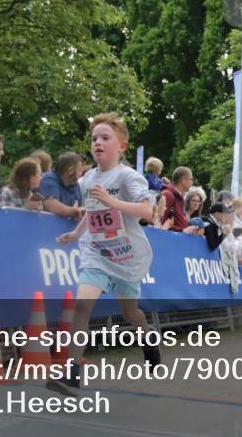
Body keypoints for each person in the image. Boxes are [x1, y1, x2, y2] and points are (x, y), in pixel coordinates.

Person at [47, 112, 159, 396]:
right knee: (82, 305)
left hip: (126, 255)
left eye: (105, 138)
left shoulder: (128, 177)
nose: (97, 142)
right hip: (96, 251)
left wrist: (113, 200)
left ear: (121, 146)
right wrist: (76, 234)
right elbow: (94, 211)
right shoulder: (86, 180)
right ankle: (72, 373)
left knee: (130, 312)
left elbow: (147, 211)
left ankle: (148, 341)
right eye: (94, 138)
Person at [39, 151, 85, 218]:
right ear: (70, 170)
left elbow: (80, 208)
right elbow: (51, 206)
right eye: (80, 170)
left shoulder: (75, 185)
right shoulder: (49, 179)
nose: (81, 174)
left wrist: (81, 211)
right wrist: (74, 211)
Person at [162, 166, 194, 232]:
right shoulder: (168, 195)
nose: (192, 182)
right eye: (191, 179)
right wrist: (182, 230)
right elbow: (161, 221)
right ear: (183, 180)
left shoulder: (178, 196)